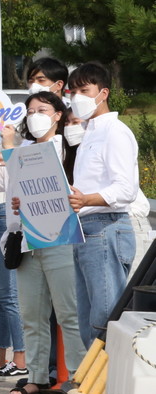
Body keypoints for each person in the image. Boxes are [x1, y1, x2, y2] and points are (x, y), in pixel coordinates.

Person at [0, 92, 87, 394]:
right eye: (30, 111)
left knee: (69, 314)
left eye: (42, 110)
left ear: (58, 114)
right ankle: (37, 376)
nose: (35, 116)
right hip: (26, 241)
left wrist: (9, 151)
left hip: (60, 239)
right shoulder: (22, 150)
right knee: (32, 314)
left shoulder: (70, 148)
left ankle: (79, 379)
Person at [67, 62, 138, 348]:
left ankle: (108, 374)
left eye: (85, 90)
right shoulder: (89, 133)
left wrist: (86, 199)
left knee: (104, 318)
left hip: (106, 226)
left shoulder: (115, 132)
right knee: (88, 317)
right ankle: (93, 373)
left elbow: (126, 189)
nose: (78, 97)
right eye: (73, 92)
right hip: (85, 228)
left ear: (104, 93)